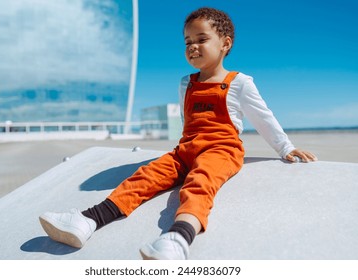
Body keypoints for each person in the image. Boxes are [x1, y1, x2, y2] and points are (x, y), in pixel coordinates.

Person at [39, 7, 317, 260]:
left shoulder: (239, 83)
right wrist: (181, 154)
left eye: (201, 39)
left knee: (200, 181)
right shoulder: (187, 83)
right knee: (144, 176)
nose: (193, 46)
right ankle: (88, 220)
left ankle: (178, 239)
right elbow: (188, 122)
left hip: (222, 149)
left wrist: (285, 148)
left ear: (225, 44)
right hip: (185, 150)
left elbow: (263, 117)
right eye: (187, 42)